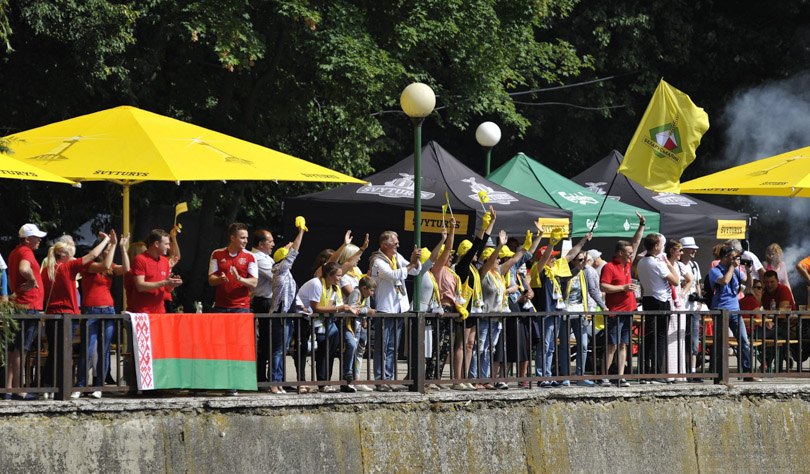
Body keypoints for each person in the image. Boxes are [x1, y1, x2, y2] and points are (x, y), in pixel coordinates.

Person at [41, 231, 112, 398]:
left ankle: (47, 386)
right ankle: (61, 388)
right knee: (65, 351)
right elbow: (93, 254)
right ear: (64, 255)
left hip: (51, 314)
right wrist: (107, 240)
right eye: (71, 255)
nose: (74, 258)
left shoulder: (47, 270)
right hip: (68, 314)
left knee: (53, 351)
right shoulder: (68, 267)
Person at [531, 230, 593, 387]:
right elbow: (543, 259)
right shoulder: (538, 270)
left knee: (551, 347)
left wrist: (583, 241)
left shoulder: (556, 269)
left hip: (556, 313)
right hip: (545, 313)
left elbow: (570, 256)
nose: (554, 258)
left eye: (553, 256)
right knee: (544, 346)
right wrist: (551, 243)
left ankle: (548, 376)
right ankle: (541, 377)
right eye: (552, 256)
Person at [78, 230, 130, 398]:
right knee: (88, 348)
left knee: (104, 349)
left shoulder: (109, 267)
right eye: (107, 249)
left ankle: (99, 386)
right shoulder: (89, 265)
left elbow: (127, 268)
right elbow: (105, 265)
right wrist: (112, 243)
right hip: (91, 310)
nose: (109, 251)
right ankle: (80, 385)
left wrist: (122, 248)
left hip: (108, 309)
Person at [368, 230, 421, 391]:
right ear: (385, 245)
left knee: (393, 346)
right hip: (385, 308)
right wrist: (411, 263)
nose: (398, 246)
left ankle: (388, 378)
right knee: (382, 346)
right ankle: (380, 379)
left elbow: (414, 271)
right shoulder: (377, 260)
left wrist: (415, 261)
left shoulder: (396, 257)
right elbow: (393, 275)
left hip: (398, 307)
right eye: (395, 243)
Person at [599, 211, 646, 387]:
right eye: (628, 253)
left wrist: (641, 225)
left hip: (629, 310)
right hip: (615, 312)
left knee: (623, 345)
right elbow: (603, 287)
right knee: (612, 345)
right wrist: (623, 288)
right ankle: (604, 376)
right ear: (620, 253)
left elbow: (635, 242)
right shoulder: (609, 267)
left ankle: (620, 376)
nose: (631, 255)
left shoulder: (626, 263)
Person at [297, 262, 358, 393]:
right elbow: (316, 307)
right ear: (329, 275)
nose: (340, 278)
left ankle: (326, 383)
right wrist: (340, 308)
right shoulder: (316, 284)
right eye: (338, 275)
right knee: (310, 352)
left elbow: (328, 307)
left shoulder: (332, 287)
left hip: (322, 322)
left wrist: (344, 308)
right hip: (304, 320)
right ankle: (311, 383)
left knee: (329, 350)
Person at [6, 223, 48, 400]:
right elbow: (24, 269)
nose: (39, 240)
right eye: (36, 237)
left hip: (19, 304)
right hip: (28, 306)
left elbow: (9, 277)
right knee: (21, 348)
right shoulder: (26, 252)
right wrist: (32, 280)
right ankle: (19, 390)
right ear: (27, 239)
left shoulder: (15, 252)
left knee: (13, 348)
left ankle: (8, 389)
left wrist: (15, 292)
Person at [707, 243, 757, 381]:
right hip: (720, 311)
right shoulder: (715, 270)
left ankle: (747, 373)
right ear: (726, 257)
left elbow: (748, 285)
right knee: (721, 344)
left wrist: (749, 270)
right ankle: (719, 375)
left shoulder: (735, 270)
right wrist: (732, 267)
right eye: (734, 257)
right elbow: (724, 281)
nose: (737, 260)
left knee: (744, 341)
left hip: (735, 311)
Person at [636, 234, 679, 381]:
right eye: (661, 244)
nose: (662, 247)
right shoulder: (657, 263)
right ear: (656, 246)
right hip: (660, 300)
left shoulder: (641, 262)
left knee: (648, 336)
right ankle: (656, 372)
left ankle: (645, 372)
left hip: (648, 297)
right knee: (660, 337)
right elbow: (676, 280)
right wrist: (668, 263)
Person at [565, 248, 606, 386]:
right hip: (566, 312)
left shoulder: (586, 272)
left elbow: (593, 290)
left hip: (581, 311)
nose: (584, 263)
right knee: (565, 345)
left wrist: (603, 306)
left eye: (585, 260)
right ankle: (565, 376)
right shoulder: (566, 271)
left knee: (583, 344)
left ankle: (580, 376)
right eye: (581, 260)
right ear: (573, 260)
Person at [208, 223, 258, 313]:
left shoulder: (250, 256)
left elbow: (254, 283)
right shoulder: (217, 254)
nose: (246, 241)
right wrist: (220, 279)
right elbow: (211, 280)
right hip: (220, 306)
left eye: (247, 238)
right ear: (232, 238)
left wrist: (239, 278)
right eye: (242, 238)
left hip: (241, 307)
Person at [130, 230, 183, 314]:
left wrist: (172, 284)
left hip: (160, 312)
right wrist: (164, 283)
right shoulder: (140, 259)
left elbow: (167, 289)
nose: (168, 247)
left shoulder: (165, 261)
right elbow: (140, 286)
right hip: (142, 313)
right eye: (166, 244)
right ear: (156, 244)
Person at [250, 228, 276, 387]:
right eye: (270, 241)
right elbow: (276, 276)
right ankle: (260, 378)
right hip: (262, 301)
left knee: (269, 341)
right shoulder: (257, 258)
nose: (273, 244)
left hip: (268, 300)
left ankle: (265, 377)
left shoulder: (265, 257)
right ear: (261, 244)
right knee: (264, 341)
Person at [665, 240, 692, 382]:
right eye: (679, 250)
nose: (682, 253)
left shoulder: (680, 265)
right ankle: (670, 371)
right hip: (667, 299)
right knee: (669, 335)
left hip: (678, 301)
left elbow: (690, 280)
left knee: (679, 336)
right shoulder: (663, 263)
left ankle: (680, 371)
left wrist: (683, 292)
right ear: (672, 251)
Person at [346, 276, 377, 391]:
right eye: (371, 290)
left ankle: (357, 379)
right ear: (364, 288)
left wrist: (367, 310)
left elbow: (367, 306)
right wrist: (366, 311)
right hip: (352, 327)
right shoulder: (356, 292)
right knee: (352, 349)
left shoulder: (366, 296)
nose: (372, 293)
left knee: (360, 352)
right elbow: (352, 307)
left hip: (362, 327)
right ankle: (349, 379)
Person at [679, 237, 703, 381]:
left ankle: (693, 371)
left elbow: (698, 284)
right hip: (681, 308)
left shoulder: (694, 265)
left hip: (693, 308)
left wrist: (699, 300)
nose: (694, 251)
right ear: (683, 251)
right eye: (691, 248)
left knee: (694, 340)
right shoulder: (676, 265)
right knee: (681, 339)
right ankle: (683, 369)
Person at [162, 226, 181, 313]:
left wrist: (174, 238)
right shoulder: (162, 259)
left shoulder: (168, 260)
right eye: (168, 244)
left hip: (167, 296)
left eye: (171, 244)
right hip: (160, 297)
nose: (170, 246)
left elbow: (176, 256)